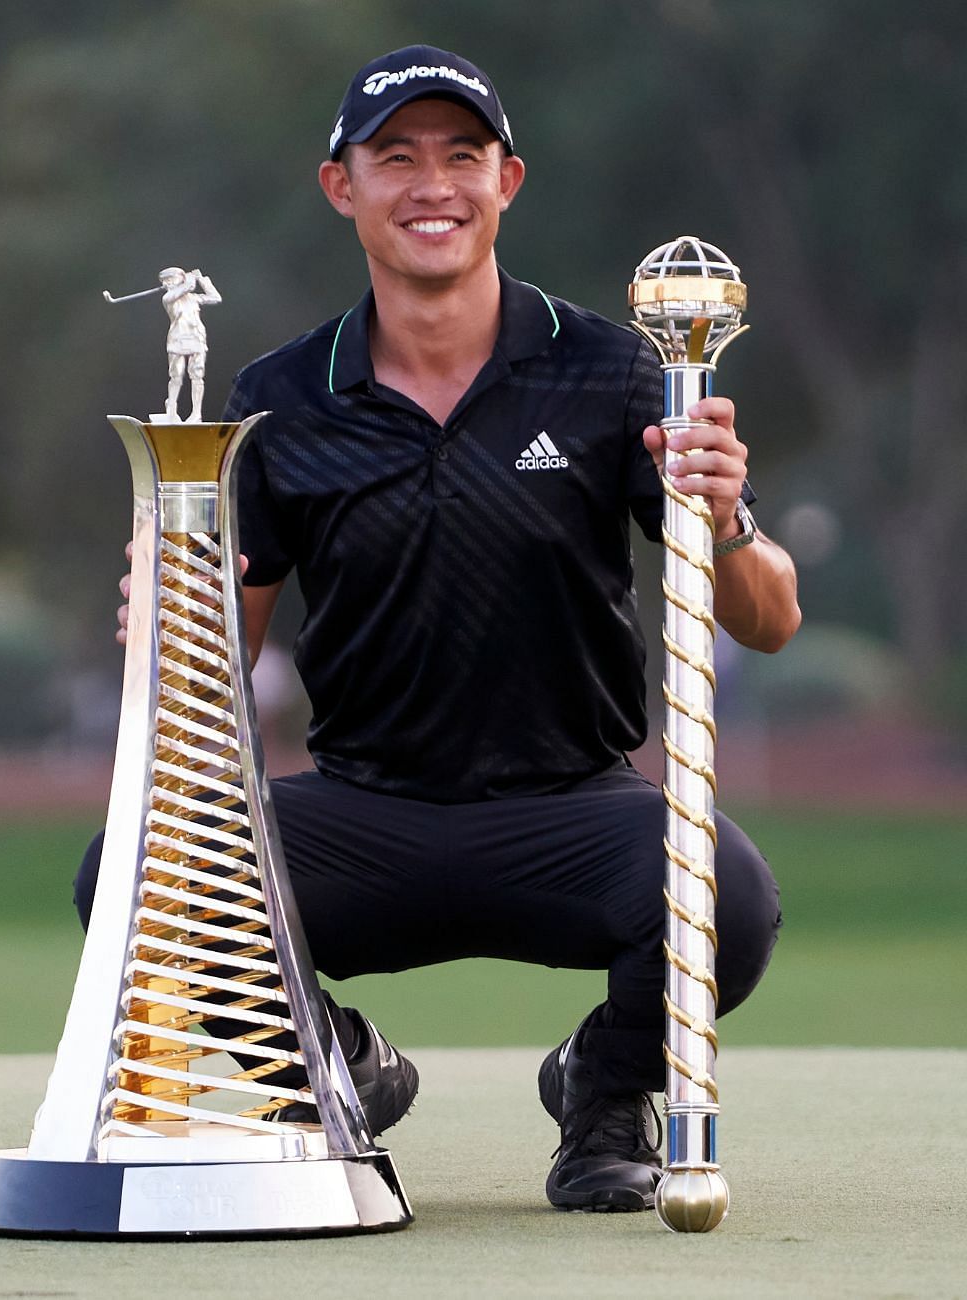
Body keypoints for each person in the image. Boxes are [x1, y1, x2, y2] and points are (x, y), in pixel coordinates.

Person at [89, 46, 797, 1212]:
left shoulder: (616, 373)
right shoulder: (284, 395)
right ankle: (339, 1069)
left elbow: (768, 618)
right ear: (342, 186)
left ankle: (603, 1090)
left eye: (462, 156)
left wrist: (722, 521)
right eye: (397, 157)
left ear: (507, 181)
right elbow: (213, 664)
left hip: (575, 804)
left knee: (734, 894)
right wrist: (164, 616)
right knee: (135, 878)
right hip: (364, 809)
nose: (434, 185)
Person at [157, 266, 222, 422]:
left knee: (197, 375)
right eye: (165, 280)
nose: (168, 283)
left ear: (180, 279)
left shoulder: (193, 298)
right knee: (176, 375)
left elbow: (215, 297)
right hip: (178, 339)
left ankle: (196, 413)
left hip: (196, 337)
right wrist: (190, 280)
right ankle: (172, 409)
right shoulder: (168, 298)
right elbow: (188, 287)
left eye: (171, 279)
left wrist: (202, 279)